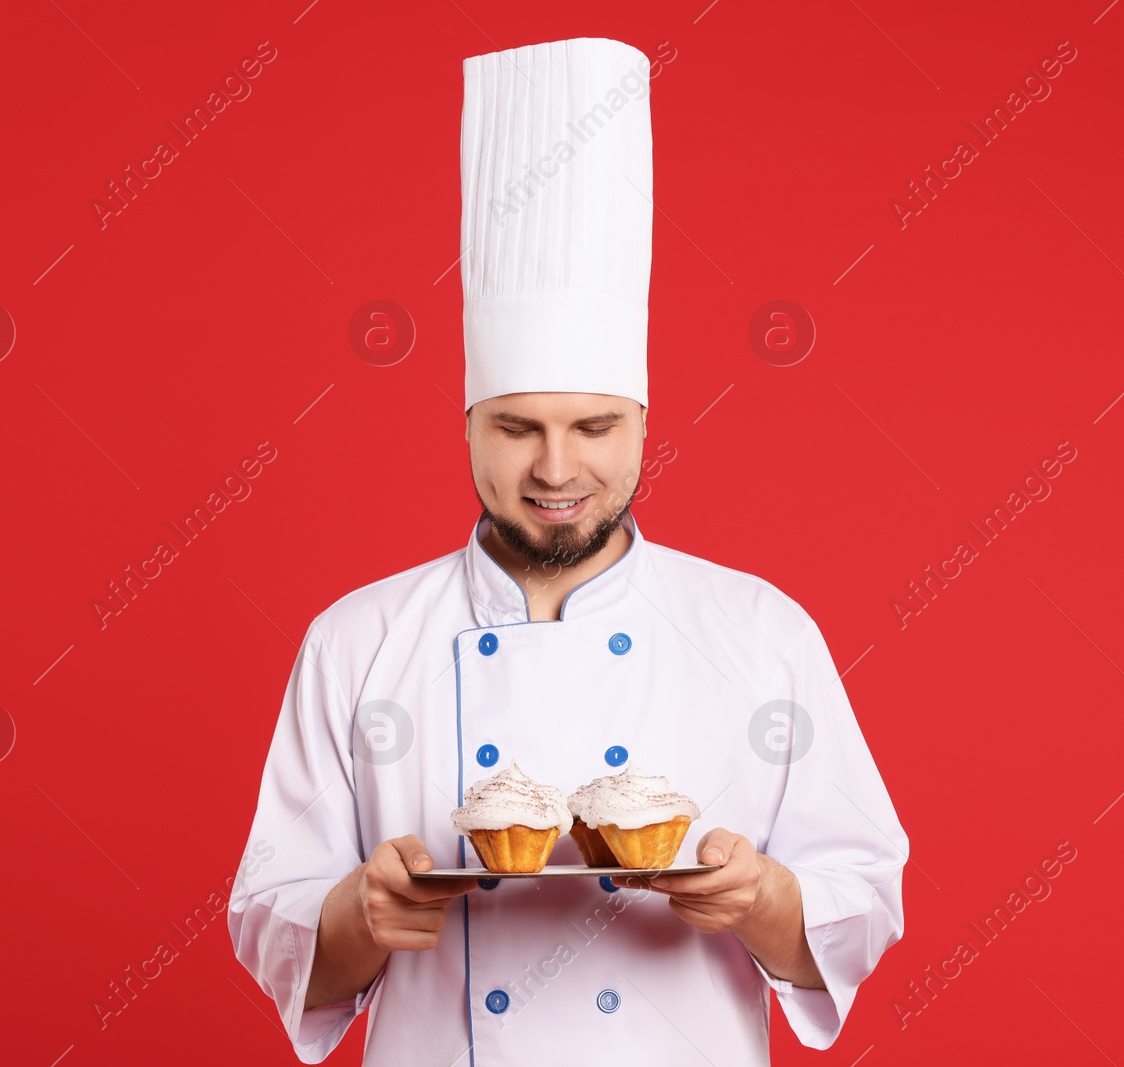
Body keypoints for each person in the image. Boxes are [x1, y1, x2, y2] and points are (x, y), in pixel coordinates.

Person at [228, 36, 907, 1066]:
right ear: (464, 425)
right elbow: (271, 924)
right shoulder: (355, 638)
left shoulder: (759, 631)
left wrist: (765, 896)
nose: (555, 470)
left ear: (644, 421)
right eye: (515, 428)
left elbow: (859, 904)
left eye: (594, 428)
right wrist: (359, 915)